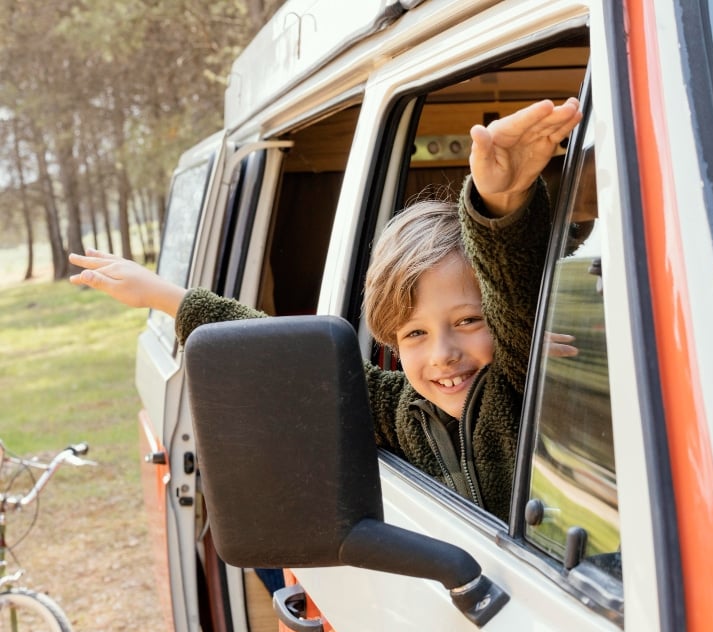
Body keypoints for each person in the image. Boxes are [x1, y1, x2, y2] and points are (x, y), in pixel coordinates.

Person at [70, 98, 582, 522]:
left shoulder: (521, 382)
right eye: (415, 334)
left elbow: (515, 291)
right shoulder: (400, 410)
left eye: (468, 321)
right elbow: (289, 358)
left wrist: (503, 203)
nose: (444, 354)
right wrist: (167, 297)